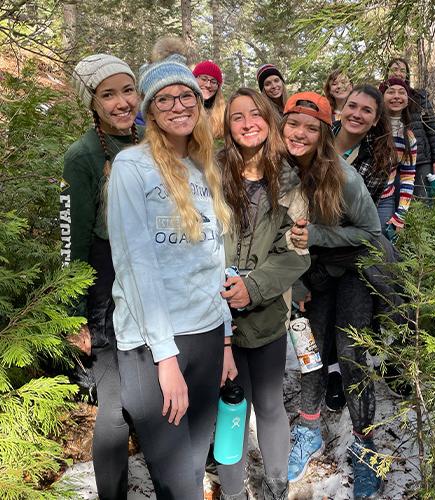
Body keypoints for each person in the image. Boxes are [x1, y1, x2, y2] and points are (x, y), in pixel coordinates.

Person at [106, 53, 235, 500]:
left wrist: (226, 340)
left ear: (200, 104)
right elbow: (135, 265)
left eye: (187, 96)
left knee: (193, 468)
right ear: (150, 111)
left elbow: (216, 261)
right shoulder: (131, 168)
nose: (179, 106)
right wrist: (165, 358)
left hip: (206, 332)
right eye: (165, 100)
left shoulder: (204, 167)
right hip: (152, 344)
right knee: (179, 481)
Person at [282, 92, 384, 500]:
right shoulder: (278, 170)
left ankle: (365, 446)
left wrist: (320, 235)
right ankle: (308, 430)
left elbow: (372, 234)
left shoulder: (343, 176)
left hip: (355, 268)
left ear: (325, 133)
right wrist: (296, 282)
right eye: (294, 123)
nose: (300, 133)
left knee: (350, 353)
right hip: (311, 273)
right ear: (282, 126)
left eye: (311, 127)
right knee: (309, 349)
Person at [216, 88, 310, 500]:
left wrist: (252, 287)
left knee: (270, 404)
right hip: (215, 319)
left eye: (256, 114)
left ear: (270, 122)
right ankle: (234, 493)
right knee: (234, 408)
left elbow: (296, 253)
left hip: (268, 312)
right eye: (238, 117)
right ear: (227, 126)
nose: (248, 122)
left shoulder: (288, 180)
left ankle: (276, 486)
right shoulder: (210, 173)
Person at [60, 54, 141, 500]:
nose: (121, 102)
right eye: (108, 94)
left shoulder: (151, 140)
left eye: (127, 90)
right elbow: (69, 238)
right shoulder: (83, 156)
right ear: (92, 102)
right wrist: (76, 316)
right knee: (113, 405)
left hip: (149, 280)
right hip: (104, 285)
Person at [325, 84, 396, 412]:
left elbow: (364, 216)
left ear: (375, 119)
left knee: (355, 301)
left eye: (366, 110)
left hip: (351, 242)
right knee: (378, 250)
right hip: (315, 241)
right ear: (341, 107)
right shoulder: (319, 138)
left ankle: (385, 350)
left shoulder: (378, 157)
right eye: (352, 106)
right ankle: (333, 371)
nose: (357, 114)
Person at [385, 57, 435, 198]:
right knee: (394, 201)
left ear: (407, 75)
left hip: (421, 160)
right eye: (394, 69)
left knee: (422, 204)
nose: (398, 73)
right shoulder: (381, 98)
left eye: (402, 71)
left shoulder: (419, 97)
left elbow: (432, 129)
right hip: (392, 161)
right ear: (387, 73)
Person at [377, 78, 417, 240]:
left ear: (407, 101)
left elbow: (408, 177)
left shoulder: (409, 138)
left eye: (402, 93)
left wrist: (400, 214)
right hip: (358, 197)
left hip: (385, 198)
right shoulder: (371, 126)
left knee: (381, 245)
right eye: (390, 92)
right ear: (381, 98)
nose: (396, 96)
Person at [193, 59, 225, 139]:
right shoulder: (183, 109)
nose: (208, 85)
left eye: (213, 82)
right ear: (194, 79)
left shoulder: (224, 115)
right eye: (204, 79)